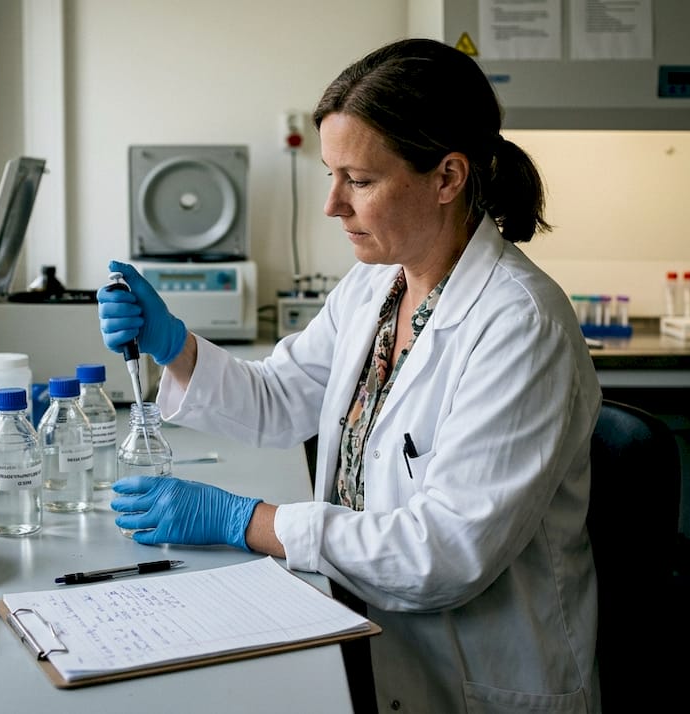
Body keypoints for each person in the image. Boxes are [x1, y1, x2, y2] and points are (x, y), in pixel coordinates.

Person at [98, 38, 601, 713]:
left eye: (358, 181)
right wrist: (174, 345)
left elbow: (444, 552)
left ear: (447, 178)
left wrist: (246, 521)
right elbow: (280, 399)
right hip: (368, 634)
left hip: (470, 677)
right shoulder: (376, 287)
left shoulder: (519, 325)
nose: (333, 204)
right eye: (330, 175)